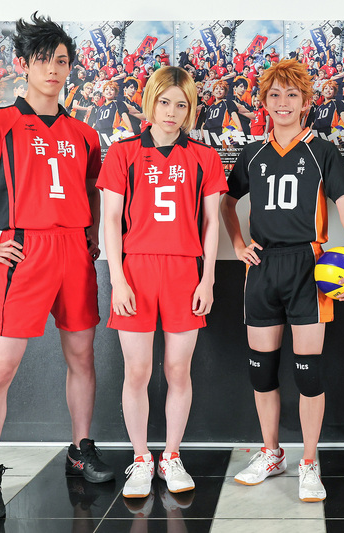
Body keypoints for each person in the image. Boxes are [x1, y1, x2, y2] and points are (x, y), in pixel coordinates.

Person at [0, 13, 114, 521]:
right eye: (43, 60)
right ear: (23, 64)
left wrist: (92, 237)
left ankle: (80, 449)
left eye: (62, 60)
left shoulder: (85, 133)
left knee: (82, 357)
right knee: (1, 369)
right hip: (24, 251)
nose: (53, 69)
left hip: (74, 252)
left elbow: (91, 190)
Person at [220, 59, 344, 503]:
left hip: (308, 265)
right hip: (262, 267)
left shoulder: (322, 151)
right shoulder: (252, 153)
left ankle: (309, 461)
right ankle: (271, 453)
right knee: (262, 370)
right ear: (264, 103)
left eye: (292, 95)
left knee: (309, 373)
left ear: (306, 102)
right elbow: (227, 203)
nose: (283, 102)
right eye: (274, 95)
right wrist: (238, 244)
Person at [97, 66, 227, 500]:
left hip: (184, 270)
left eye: (181, 104)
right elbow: (111, 220)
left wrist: (207, 278)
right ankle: (140, 457)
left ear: (191, 110)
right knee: (137, 370)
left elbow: (212, 223)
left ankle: (171, 455)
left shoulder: (205, 157)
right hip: (135, 269)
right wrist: (117, 279)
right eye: (164, 102)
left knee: (177, 369)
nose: (171, 112)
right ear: (150, 103)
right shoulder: (123, 152)